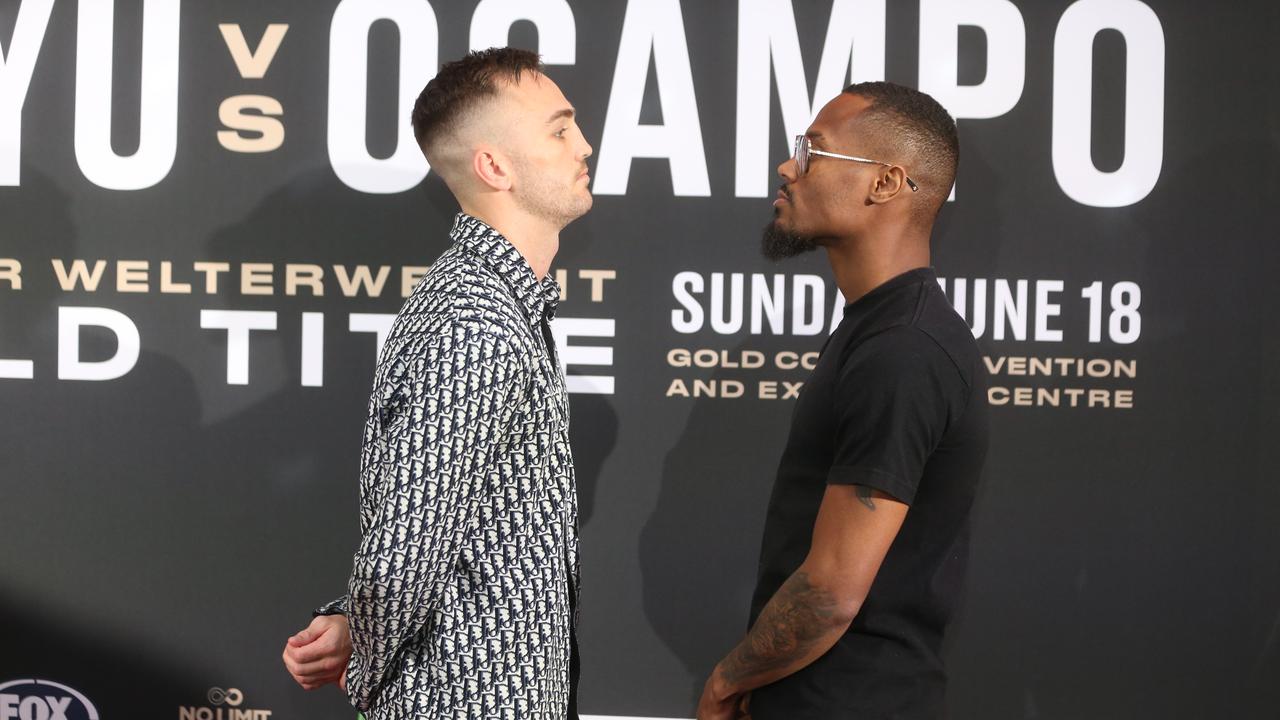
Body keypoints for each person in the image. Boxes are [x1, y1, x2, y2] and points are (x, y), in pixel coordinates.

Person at [280, 47, 593, 720]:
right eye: (560, 129)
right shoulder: (475, 322)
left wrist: (352, 623)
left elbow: (452, 533)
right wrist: (368, 674)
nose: (583, 144)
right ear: (494, 165)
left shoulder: (498, 307)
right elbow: (405, 550)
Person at [697, 82, 989, 720]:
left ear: (885, 183)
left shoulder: (904, 350)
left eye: (813, 150)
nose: (787, 166)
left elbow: (831, 589)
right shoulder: (878, 330)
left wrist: (726, 681)